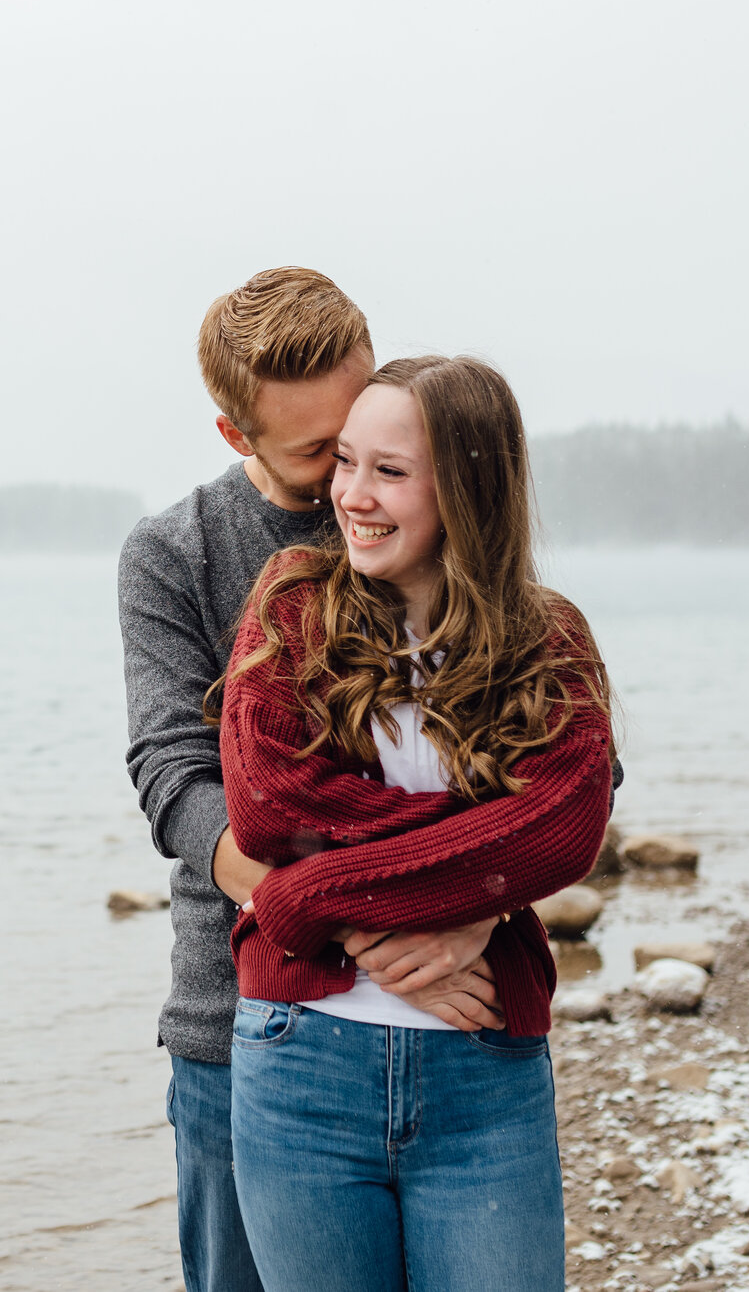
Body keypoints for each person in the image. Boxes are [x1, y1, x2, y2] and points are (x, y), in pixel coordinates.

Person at [120, 271, 502, 1292]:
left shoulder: (439, 521)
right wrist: (356, 923)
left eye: (360, 431)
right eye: (315, 452)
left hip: (450, 1008)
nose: (350, 478)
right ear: (231, 433)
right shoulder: (175, 553)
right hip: (240, 1014)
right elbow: (171, 776)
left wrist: (471, 918)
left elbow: (567, 765)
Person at [218, 354, 615, 1290]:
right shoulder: (294, 603)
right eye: (345, 462)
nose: (351, 495)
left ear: (469, 489)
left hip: (483, 1079)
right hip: (300, 1061)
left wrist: (309, 892)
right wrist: (473, 862)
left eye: (388, 471)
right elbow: (269, 802)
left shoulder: (548, 638)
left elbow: (562, 824)